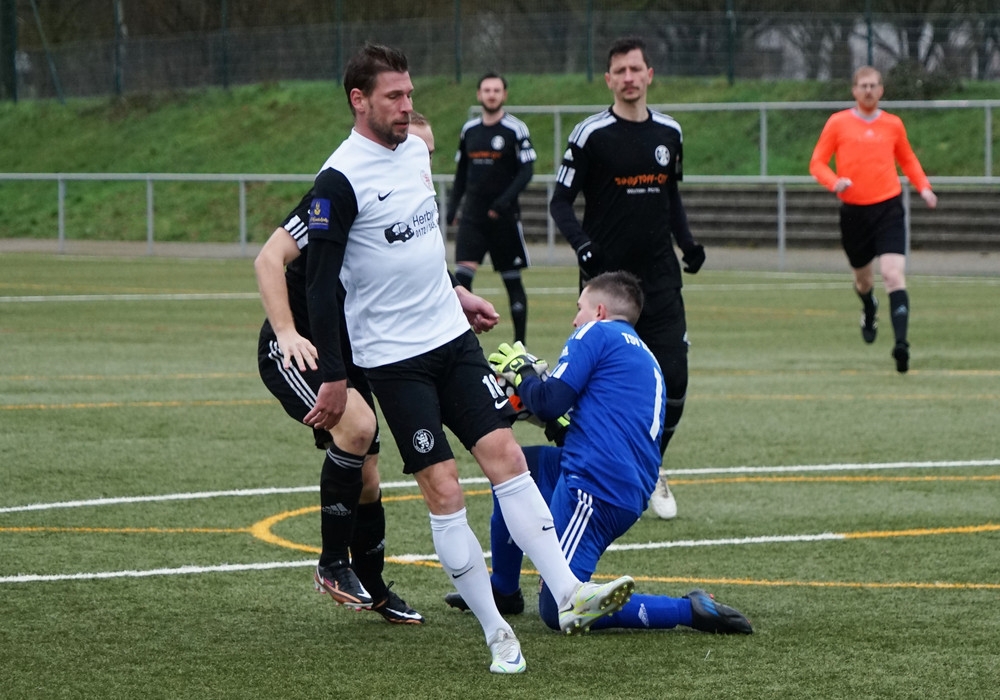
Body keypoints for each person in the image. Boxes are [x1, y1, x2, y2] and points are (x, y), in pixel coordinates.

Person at [302, 42, 635, 674]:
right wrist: (335, 377)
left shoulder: (416, 153)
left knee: (506, 454)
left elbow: (422, 247)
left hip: (451, 342)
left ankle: (569, 592)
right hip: (393, 362)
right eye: (394, 97)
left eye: (410, 94)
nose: (407, 107)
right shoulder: (337, 180)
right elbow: (321, 284)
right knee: (444, 484)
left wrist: (457, 296)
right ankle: (495, 634)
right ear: (359, 100)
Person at [445, 271, 753, 635]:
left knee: (559, 610)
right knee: (513, 468)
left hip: (597, 484)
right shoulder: (640, 354)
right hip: (616, 477)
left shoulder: (596, 332)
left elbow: (550, 403)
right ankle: (505, 589)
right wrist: (529, 399)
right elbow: (572, 423)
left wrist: (523, 373)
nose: (575, 319)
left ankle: (688, 611)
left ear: (601, 311)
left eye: (580, 308)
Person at [253, 113, 439, 625]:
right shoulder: (339, 192)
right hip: (302, 350)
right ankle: (332, 564)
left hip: (350, 351)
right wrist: (289, 334)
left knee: (369, 475)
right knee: (359, 428)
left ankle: (375, 589)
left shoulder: (405, 206)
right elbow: (269, 259)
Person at [549, 36, 706, 521]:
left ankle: (651, 462)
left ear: (649, 74)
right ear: (609, 79)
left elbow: (670, 196)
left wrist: (688, 243)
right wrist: (583, 246)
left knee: (674, 378)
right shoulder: (590, 134)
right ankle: (581, 469)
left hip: (659, 277)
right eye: (620, 71)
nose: (629, 78)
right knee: (589, 382)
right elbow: (559, 202)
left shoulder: (670, 132)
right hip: (606, 282)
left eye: (636, 69)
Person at [809, 65, 938, 374]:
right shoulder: (838, 123)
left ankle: (902, 346)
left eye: (874, 85)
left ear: (882, 90)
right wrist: (833, 182)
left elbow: (907, 159)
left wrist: (924, 188)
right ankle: (869, 307)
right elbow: (817, 163)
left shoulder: (893, 125)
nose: (868, 90)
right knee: (864, 281)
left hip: (888, 208)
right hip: (854, 212)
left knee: (893, 275)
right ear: (854, 90)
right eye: (863, 85)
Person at [446, 72, 536, 343]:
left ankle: (521, 345)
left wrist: (503, 201)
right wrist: (452, 207)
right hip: (473, 217)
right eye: (487, 90)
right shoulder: (469, 130)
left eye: (497, 90)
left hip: (504, 217)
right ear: (479, 95)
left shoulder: (515, 129)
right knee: (461, 281)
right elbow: (461, 172)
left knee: (512, 281)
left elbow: (527, 170)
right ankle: (461, 343)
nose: (492, 94)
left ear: (504, 95)